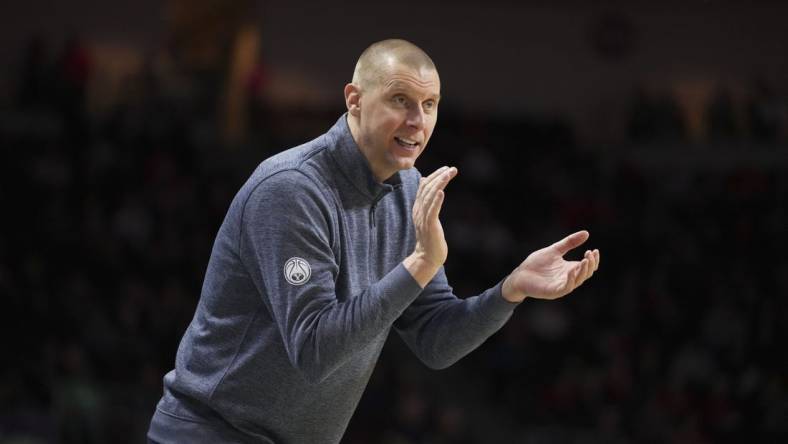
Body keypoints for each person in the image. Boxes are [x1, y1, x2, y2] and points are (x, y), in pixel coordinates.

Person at [147, 38, 600, 444]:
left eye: (430, 104)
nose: (416, 121)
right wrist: (420, 265)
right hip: (209, 432)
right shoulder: (292, 190)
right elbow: (315, 349)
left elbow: (434, 339)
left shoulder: (408, 191)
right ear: (355, 100)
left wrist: (510, 290)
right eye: (400, 100)